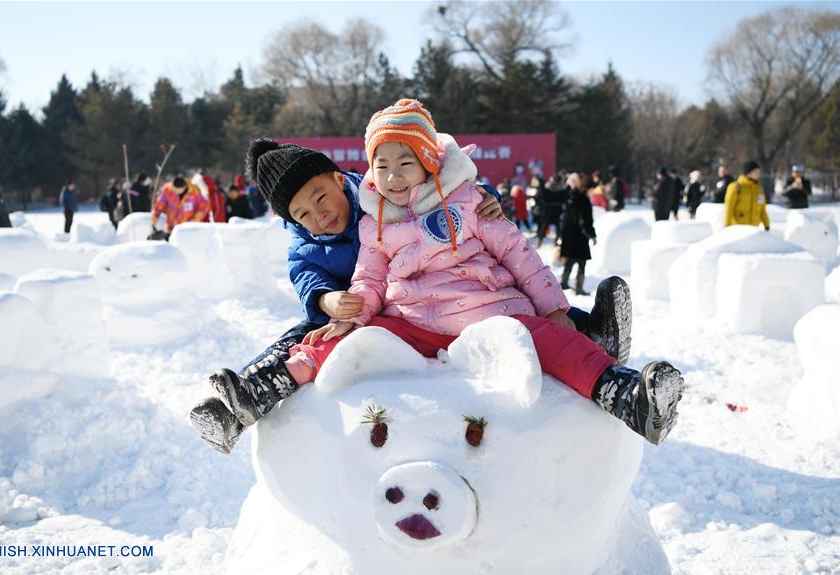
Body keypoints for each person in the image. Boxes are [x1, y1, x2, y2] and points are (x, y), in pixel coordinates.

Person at [208, 100, 679, 455]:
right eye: (303, 213)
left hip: (482, 309)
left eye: (403, 164)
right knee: (321, 338)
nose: (318, 214)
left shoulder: (460, 200)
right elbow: (365, 276)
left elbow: (517, 253)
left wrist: (555, 308)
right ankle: (260, 388)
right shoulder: (368, 222)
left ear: (337, 177)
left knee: (551, 336)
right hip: (405, 313)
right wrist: (344, 309)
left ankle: (624, 392)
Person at [560, 172, 597, 296]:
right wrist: (591, 234)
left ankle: (564, 283)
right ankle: (579, 287)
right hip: (580, 236)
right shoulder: (584, 200)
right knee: (582, 262)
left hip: (570, 235)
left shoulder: (572, 196)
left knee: (570, 260)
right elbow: (585, 220)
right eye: (592, 189)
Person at [724, 161, 770, 230]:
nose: (758, 174)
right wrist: (727, 227)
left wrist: (767, 225)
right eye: (756, 172)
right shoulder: (735, 187)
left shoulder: (759, 190)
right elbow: (729, 208)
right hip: (738, 229)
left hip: (754, 229)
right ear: (748, 173)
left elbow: (762, 209)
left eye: (759, 172)